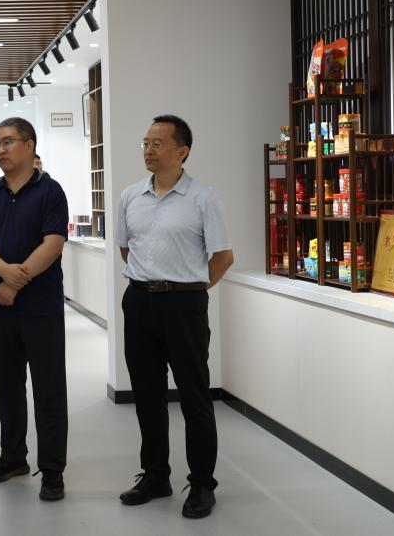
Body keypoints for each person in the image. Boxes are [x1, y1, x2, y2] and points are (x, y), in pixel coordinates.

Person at [115, 115, 234, 520]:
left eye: (158, 143)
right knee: (147, 395)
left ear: (182, 151)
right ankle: (155, 475)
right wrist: (150, 281)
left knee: (194, 396)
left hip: (184, 305)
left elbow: (223, 256)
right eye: (145, 143)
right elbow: (126, 250)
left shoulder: (203, 198)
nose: (149, 150)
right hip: (139, 301)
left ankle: (202, 483)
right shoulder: (130, 196)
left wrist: (192, 288)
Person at [0, 117, 69, 502]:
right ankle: (13, 457)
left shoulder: (50, 191)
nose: (1, 149)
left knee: (48, 389)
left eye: (8, 141)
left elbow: (52, 244)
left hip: (40, 307)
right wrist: (3, 273)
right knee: (8, 386)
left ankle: (53, 469)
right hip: (1, 309)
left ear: (29, 145)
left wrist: (13, 282)